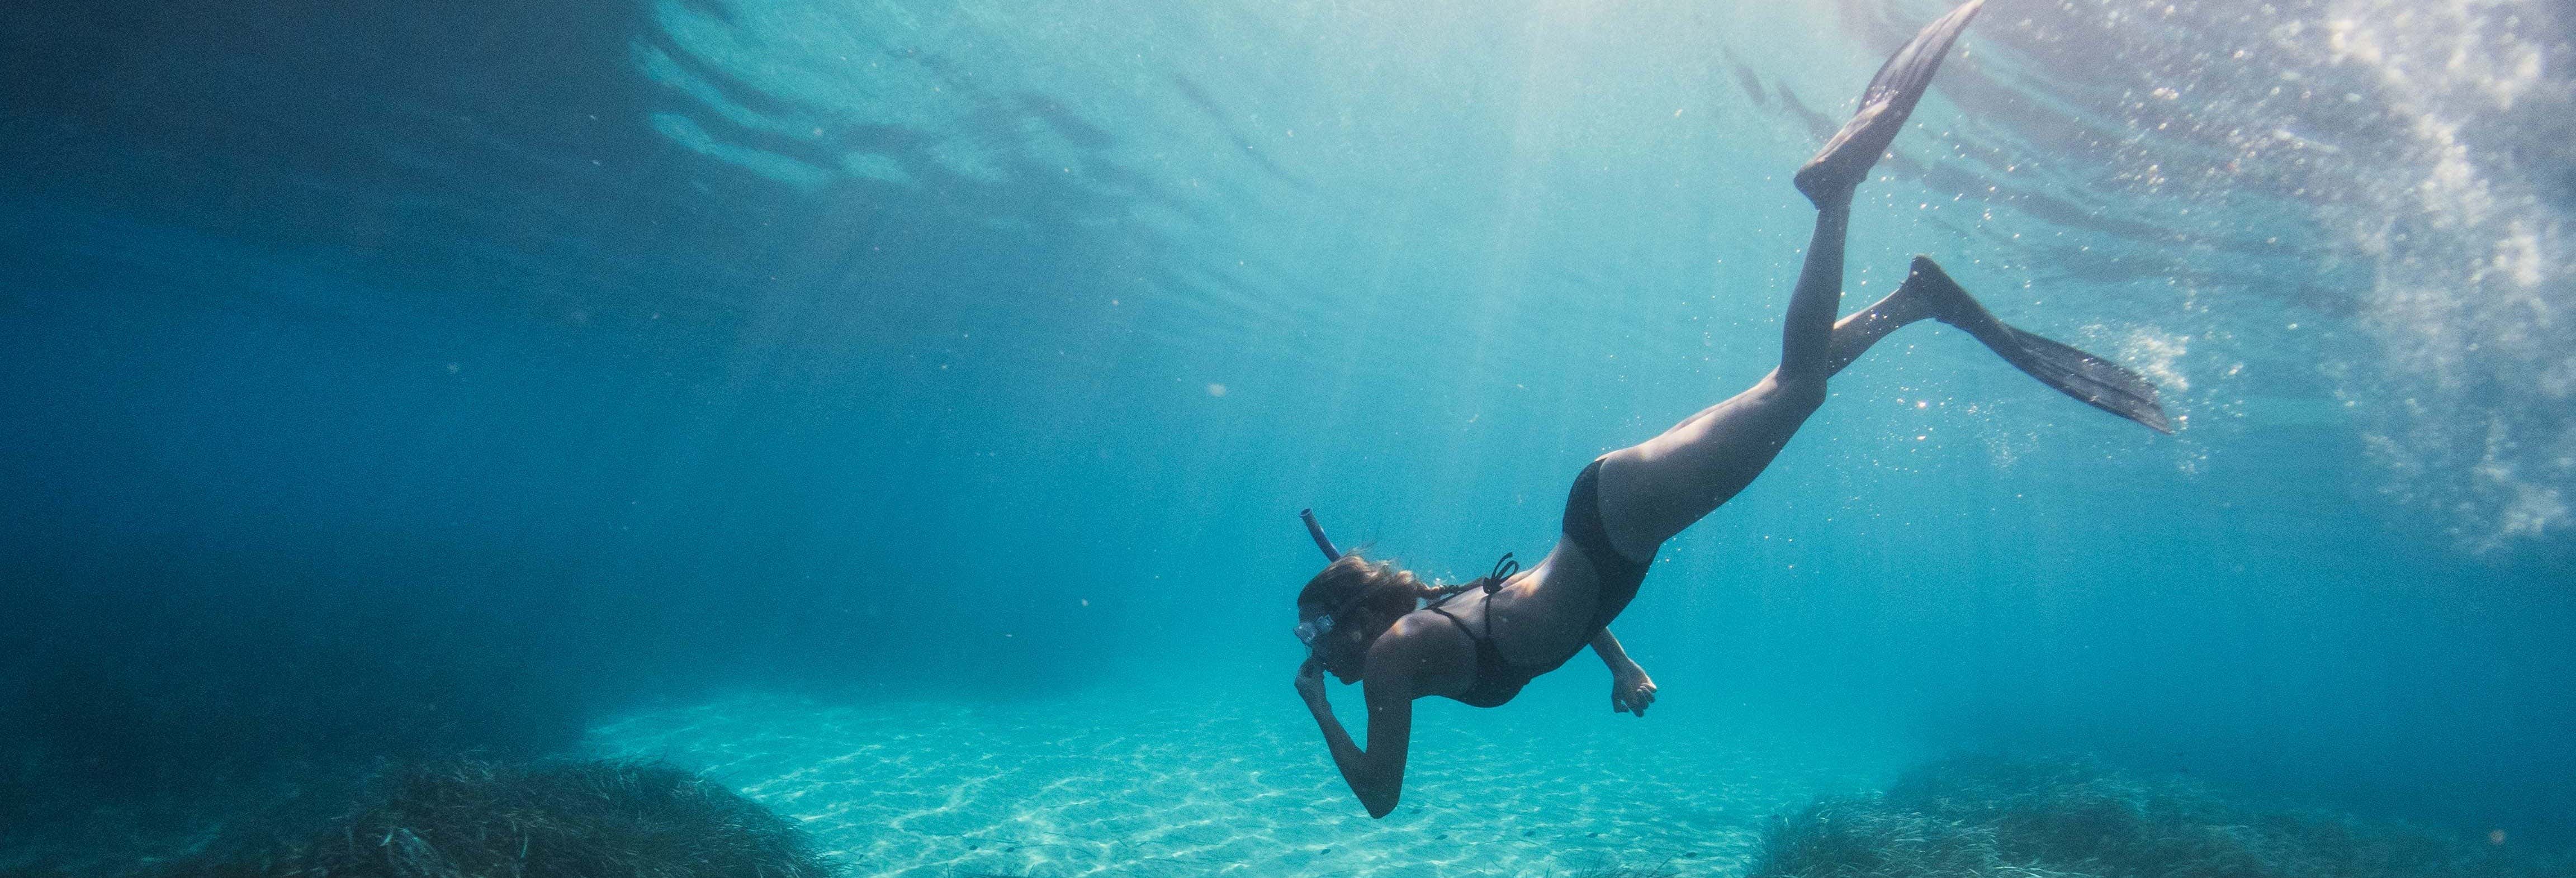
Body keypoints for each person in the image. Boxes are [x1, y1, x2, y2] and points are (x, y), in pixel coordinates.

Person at [1290, 0, 2170, 818]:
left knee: (1797, 389)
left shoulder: (1394, 659)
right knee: (1780, 390)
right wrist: (1624, 664)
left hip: (1616, 523)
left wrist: (1320, 704)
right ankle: (1912, 300)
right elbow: (1548, 613)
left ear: (1351, 621)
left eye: (1316, 635)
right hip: (1609, 513)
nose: (1313, 651)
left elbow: (1379, 795)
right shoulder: (1422, 618)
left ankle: (1835, 198)